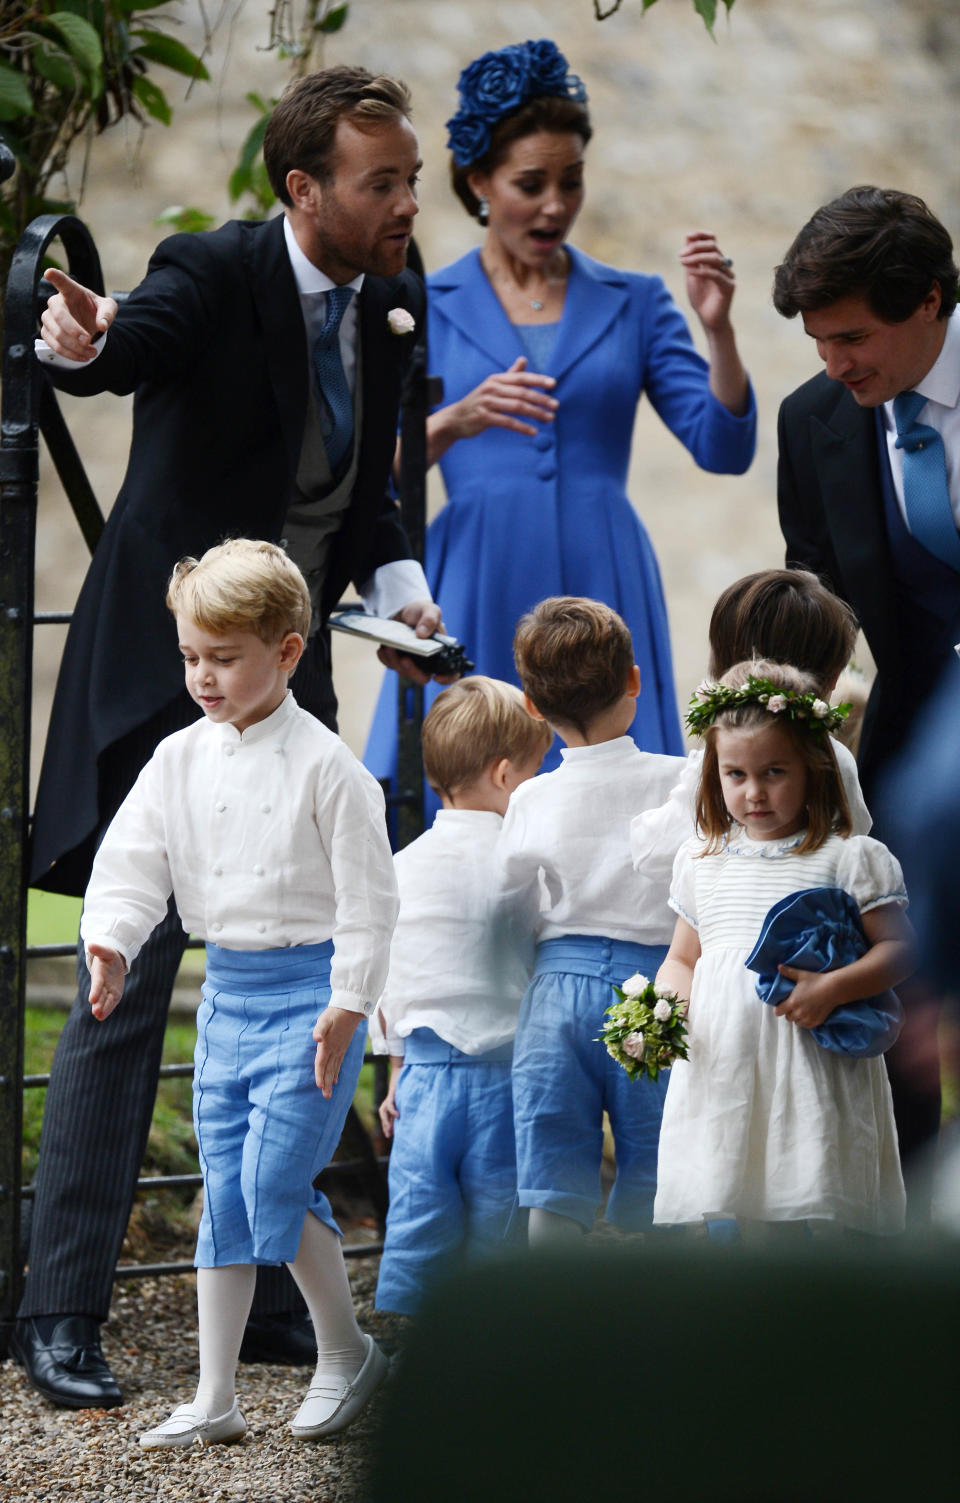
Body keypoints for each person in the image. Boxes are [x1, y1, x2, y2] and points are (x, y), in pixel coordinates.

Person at [14, 65, 442, 1409]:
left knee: (287, 985)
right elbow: (128, 344)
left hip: (294, 688)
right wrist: (82, 342)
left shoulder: (388, 303)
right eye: (385, 181)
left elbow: (363, 492)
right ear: (304, 188)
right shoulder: (212, 266)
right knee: (117, 987)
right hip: (173, 681)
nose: (407, 203)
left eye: (411, 179)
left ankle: (259, 1297)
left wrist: (403, 592)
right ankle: (60, 1308)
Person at [365, 37, 756, 815]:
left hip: (604, 572)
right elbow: (372, 475)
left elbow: (724, 446)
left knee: (618, 814)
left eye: (570, 182)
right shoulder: (418, 302)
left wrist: (717, 331)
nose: (554, 204)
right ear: (478, 183)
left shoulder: (637, 300)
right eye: (530, 183)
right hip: (473, 576)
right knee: (462, 796)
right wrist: (457, 420)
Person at [80, 539, 397, 1447]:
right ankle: (214, 1392)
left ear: (288, 651)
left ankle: (345, 1352)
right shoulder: (178, 759)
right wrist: (111, 941)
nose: (203, 677)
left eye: (224, 657)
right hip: (227, 994)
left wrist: (348, 1001)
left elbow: (372, 900)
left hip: (312, 999)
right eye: (191, 656)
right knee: (228, 1190)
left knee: (270, 1181)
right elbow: (133, 859)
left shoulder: (330, 768)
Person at [773, 185, 960, 1185]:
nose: (834, 362)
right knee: (905, 997)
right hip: (912, 738)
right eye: (818, 340)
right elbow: (816, 611)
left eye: (852, 336)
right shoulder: (814, 423)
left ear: (928, 300)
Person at [653, 661, 915, 1238]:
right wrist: (667, 1007)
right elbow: (683, 958)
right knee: (749, 1208)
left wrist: (833, 987)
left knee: (818, 1199)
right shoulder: (702, 862)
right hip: (730, 1065)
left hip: (813, 1065)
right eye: (736, 774)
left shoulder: (847, 858)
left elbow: (899, 950)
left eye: (774, 771)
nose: (754, 791)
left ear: (813, 768)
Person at [498, 597, 687, 1245]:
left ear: (531, 704)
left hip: (556, 992)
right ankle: (660, 1322)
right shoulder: (681, 782)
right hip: (655, 991)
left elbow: (511, 905)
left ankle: (551, 1328)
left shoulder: (529, 797)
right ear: (634, 681)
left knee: (553, 1167)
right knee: (663, 1165)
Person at [373, 677, 550, 1315]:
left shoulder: (401, 868)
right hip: (506, 1078)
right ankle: (492, 1349)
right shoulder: (525, 866)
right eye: (535, 772)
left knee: (418, 1217)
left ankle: (404, 1345)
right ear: (505, 775)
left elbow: (394, 983)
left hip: (422, 1078)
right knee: (501, 1225)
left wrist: (396, 1072)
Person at [630, 567, 871, 890]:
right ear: (831, 679)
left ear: (721, 670)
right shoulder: (837, 757)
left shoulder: (725, 762)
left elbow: (651, 852)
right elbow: (857, 834)